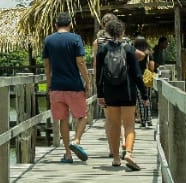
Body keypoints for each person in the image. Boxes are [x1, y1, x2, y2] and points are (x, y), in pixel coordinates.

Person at [42, 11, 90, 163]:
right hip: (74, 85)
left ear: (56, 25)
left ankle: (68, 154)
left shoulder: (48, 40)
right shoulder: (75, 38)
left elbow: (47, 65)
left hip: (56, 86)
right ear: (70, 24)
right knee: (83, 116)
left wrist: (49, 84)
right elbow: (80, 62)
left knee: (63, 119)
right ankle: (76, 141)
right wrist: (87, 81)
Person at [95, 18, 142, 170]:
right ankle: (128, 152)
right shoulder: (129, 48)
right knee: (129, 124)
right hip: (128, 90)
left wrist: (100, 94)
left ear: (107, 32)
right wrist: (145, 94)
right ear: (122, 32)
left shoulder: (102, 49)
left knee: (113, 124)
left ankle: (116, 158)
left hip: (109, 91)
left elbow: (99, 75)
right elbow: (136, 74)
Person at [133, 36, 153, 128]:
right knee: (147, 98)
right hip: (146, 78)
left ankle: (143, 120)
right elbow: (152, 66)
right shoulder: (149, 53)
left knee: (139, 100)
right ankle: (149, 119)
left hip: (137, 77)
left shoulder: (134, 53)